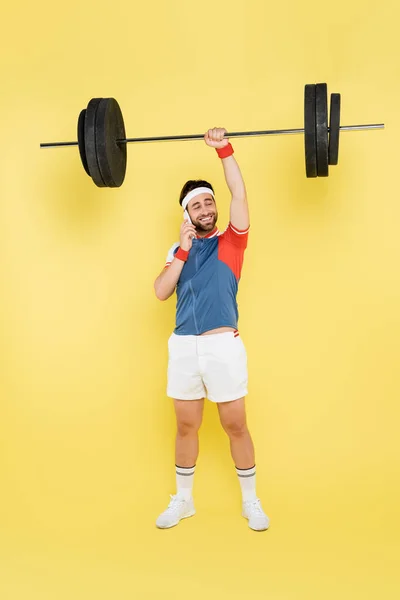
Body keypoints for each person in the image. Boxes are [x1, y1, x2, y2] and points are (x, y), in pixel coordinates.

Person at [153, 127, 269, 532]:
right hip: (184, 347)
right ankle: (183, 502)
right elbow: (161, 291)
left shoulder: (232, 241)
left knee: (235, 424)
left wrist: (224, 149)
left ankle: (251, 502)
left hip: (223, 347)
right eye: (195, 205)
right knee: (186, 425)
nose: (204, 209)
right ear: (186, 213)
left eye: (208, 202)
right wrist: (182, 250)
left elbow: (240, 194)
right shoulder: (177, 249)